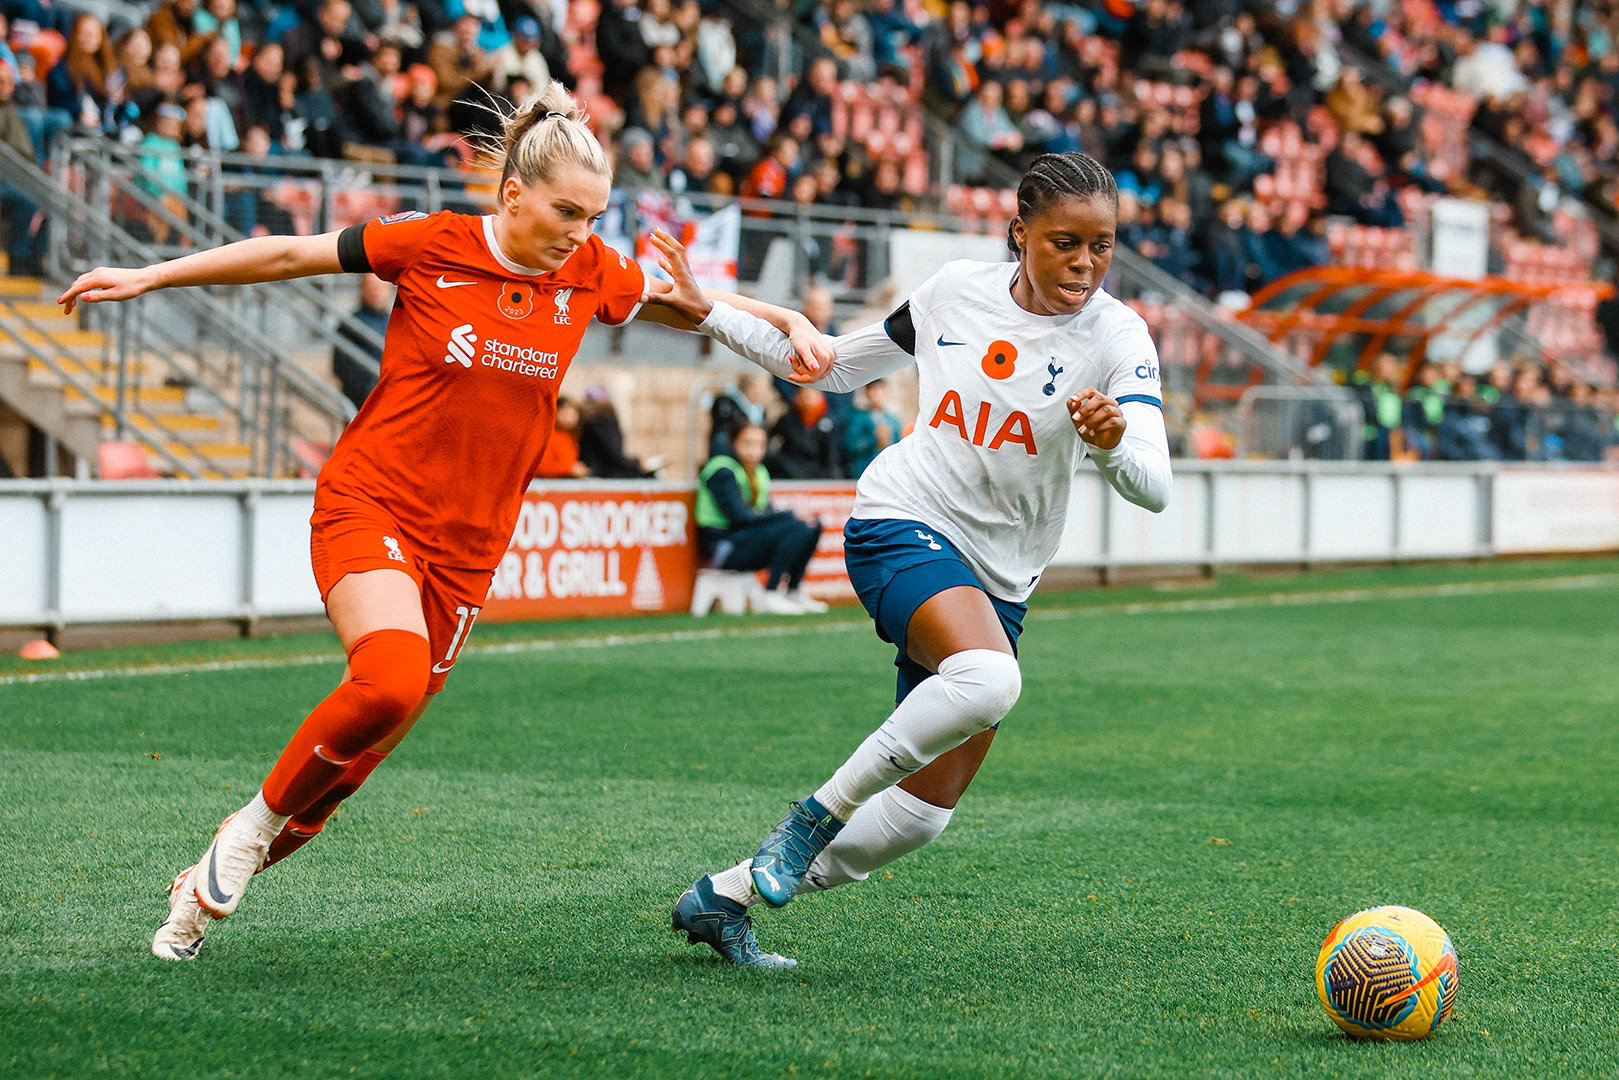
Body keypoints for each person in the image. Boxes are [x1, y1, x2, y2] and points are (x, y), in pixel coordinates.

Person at [57, 80, 831, 963]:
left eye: (594, 217)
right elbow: (289, 255)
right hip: (371, 501)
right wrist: (152, 274)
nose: (581, 233)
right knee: (386, 681)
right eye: (567, 212)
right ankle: (247, 827)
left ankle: (196, 898)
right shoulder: (431, 243)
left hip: (468, 552)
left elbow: (694, 307)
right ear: (513, 194)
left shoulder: (590, 270)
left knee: (342, 777)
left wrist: (787, 321)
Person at [651, 152, 1172, 967]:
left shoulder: (1117, 335)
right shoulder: (953, 292)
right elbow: (827, 366)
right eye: (1064, 243)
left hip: (1000, 579)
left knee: (920, 818)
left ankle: (724, 897)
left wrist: (1109, 445)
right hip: (902, 519)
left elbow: (1154, 485)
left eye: (1100, 246)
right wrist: (710, 313)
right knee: (990, 680)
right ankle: (811, 818)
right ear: (1019, 233)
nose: (1084, 263)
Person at [696, 422, 826, 615]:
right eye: (747, 443)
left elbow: (765, 512)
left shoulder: (760, 472)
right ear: (733, 443)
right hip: (722, 546)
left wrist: (792, 516)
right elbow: (740, 517)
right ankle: (770, 592)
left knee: (811, 525)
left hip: (745, 539)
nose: (753, 450)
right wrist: (788, 514)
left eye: (759, 444)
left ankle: (793, 590)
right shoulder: (722, 470)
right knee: (795, 525)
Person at [332, 272, 391, 409]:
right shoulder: (351, 325)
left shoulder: (397, 321)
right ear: (362, 289)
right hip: (363, 403)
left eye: (381, 287)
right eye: (373, 287)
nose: (377, 292)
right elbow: (342, 368)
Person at [842, 377, 902, 478]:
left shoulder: (893, 420)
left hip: (887, 471)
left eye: (881, 391)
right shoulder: (858, 418)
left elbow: (898, 446)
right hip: (864, 469)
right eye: (874, 391)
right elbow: (851, 445)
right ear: (867, 393)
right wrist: (874, 439)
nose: (878, 395)